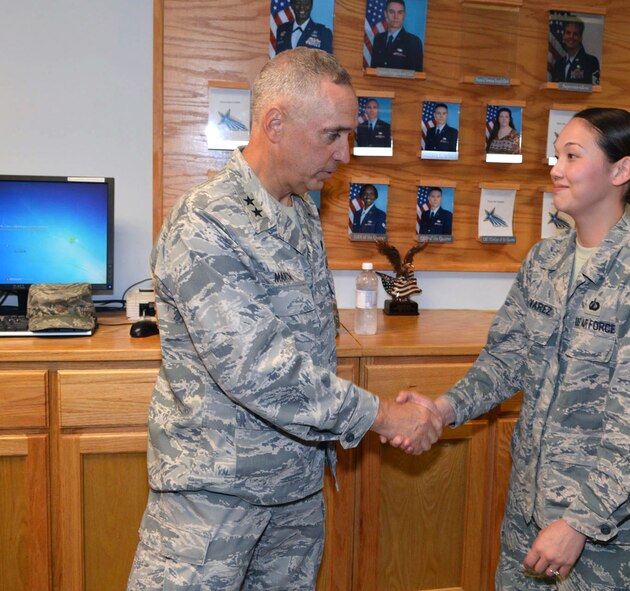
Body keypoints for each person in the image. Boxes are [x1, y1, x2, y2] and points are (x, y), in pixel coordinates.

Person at [127, 48, 442, 591]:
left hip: (293, 494)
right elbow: (262, 370)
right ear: (275, 122)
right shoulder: (205, 224)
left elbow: (306, 347)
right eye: (332, 134)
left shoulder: (299, 209)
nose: (345, 153)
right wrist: (384, 416)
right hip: (214, 504)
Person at [397, 108, 630, 589]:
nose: (556, 168)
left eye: (572, 155)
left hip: (606, 541)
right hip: (530, 520)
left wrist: (580, 522)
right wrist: (443, 408)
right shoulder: (545, 259)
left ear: (621, 171)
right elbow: (506, 360)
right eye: (557, 154)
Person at [370, 0, 424, 71]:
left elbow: (416, 75)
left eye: (400, 12)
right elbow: (373, 70)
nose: (396, 16)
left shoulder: (414, 42)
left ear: (404, 15)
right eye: (392, 12)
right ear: (385, 14)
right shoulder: (378, 39)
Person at [550, 16, 600, 85]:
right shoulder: (558, 64)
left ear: (580, 38)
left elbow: (595, 89)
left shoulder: (591, 62)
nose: (571, 37)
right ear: (563, 36)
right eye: (568, 33)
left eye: (575, 34)